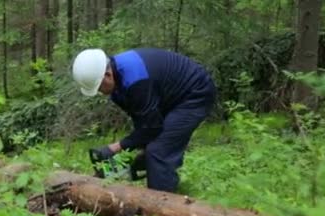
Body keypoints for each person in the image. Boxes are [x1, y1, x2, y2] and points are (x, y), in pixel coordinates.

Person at [71, 47, 217, 193]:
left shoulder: (136, 80)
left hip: (194, 94)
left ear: (107, 75)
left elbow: (152, 128)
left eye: (99, 87)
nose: (99, 92)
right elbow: (143, 123)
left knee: (158, 151)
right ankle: (114, 175)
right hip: (168, 97)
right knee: (146, 145)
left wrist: (116, 147)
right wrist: (128, 150)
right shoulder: (118, 84)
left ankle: (162, 207)